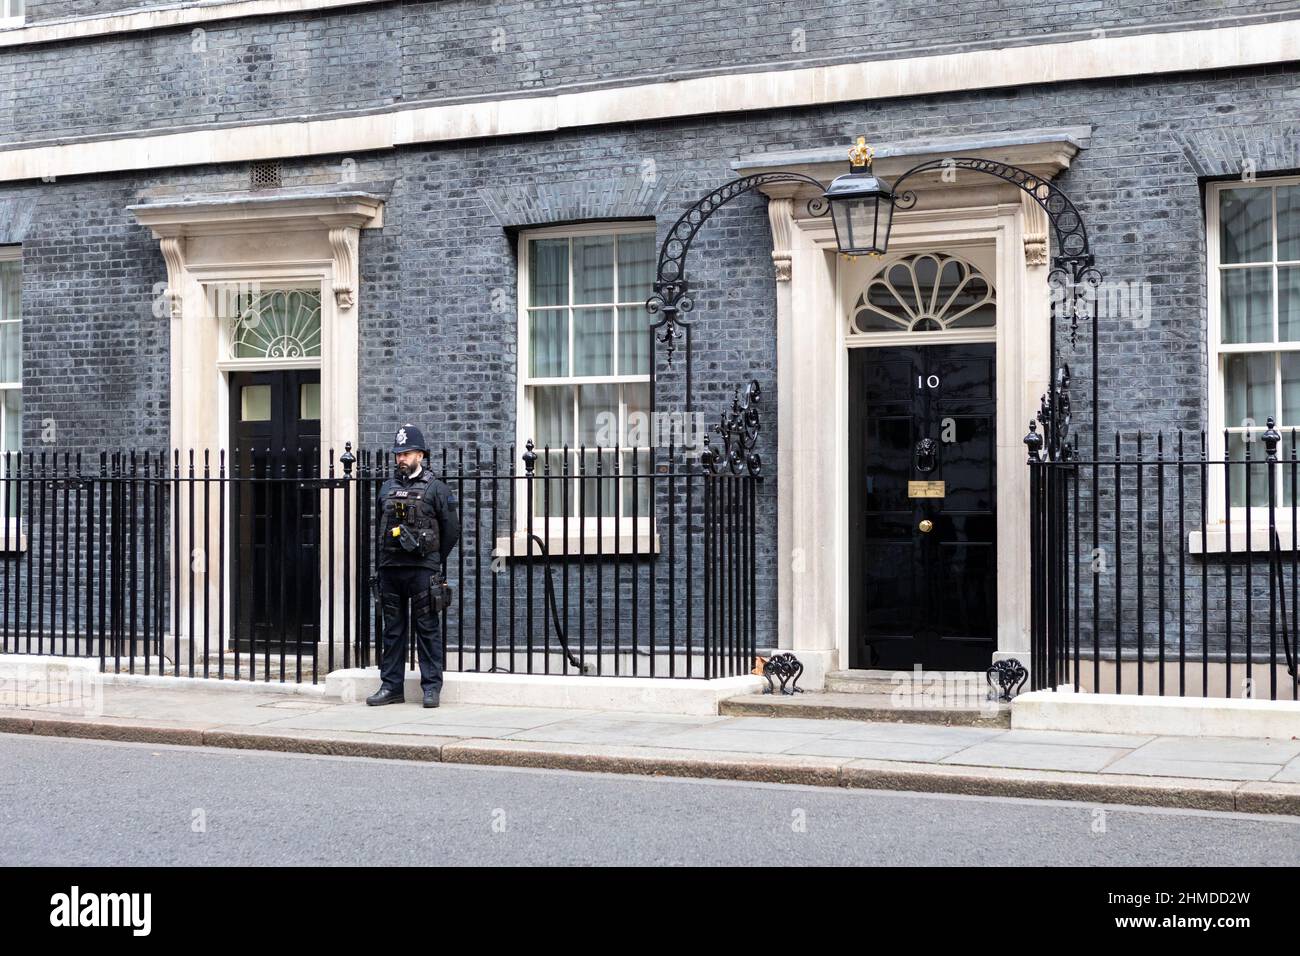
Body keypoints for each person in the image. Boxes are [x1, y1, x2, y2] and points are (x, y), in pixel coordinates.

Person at [366, 424, 460, 708]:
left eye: (406, 453)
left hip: (422, 570)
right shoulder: (386, 488)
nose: (401, 459)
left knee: (427, 629)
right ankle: (391, 686)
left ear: (420, 454)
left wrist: (431, 559)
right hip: (391, 569)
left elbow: (451, 531)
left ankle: (431, 687)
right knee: (392, 631)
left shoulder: (437, 489)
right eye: (398, 454)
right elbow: (381, 529)